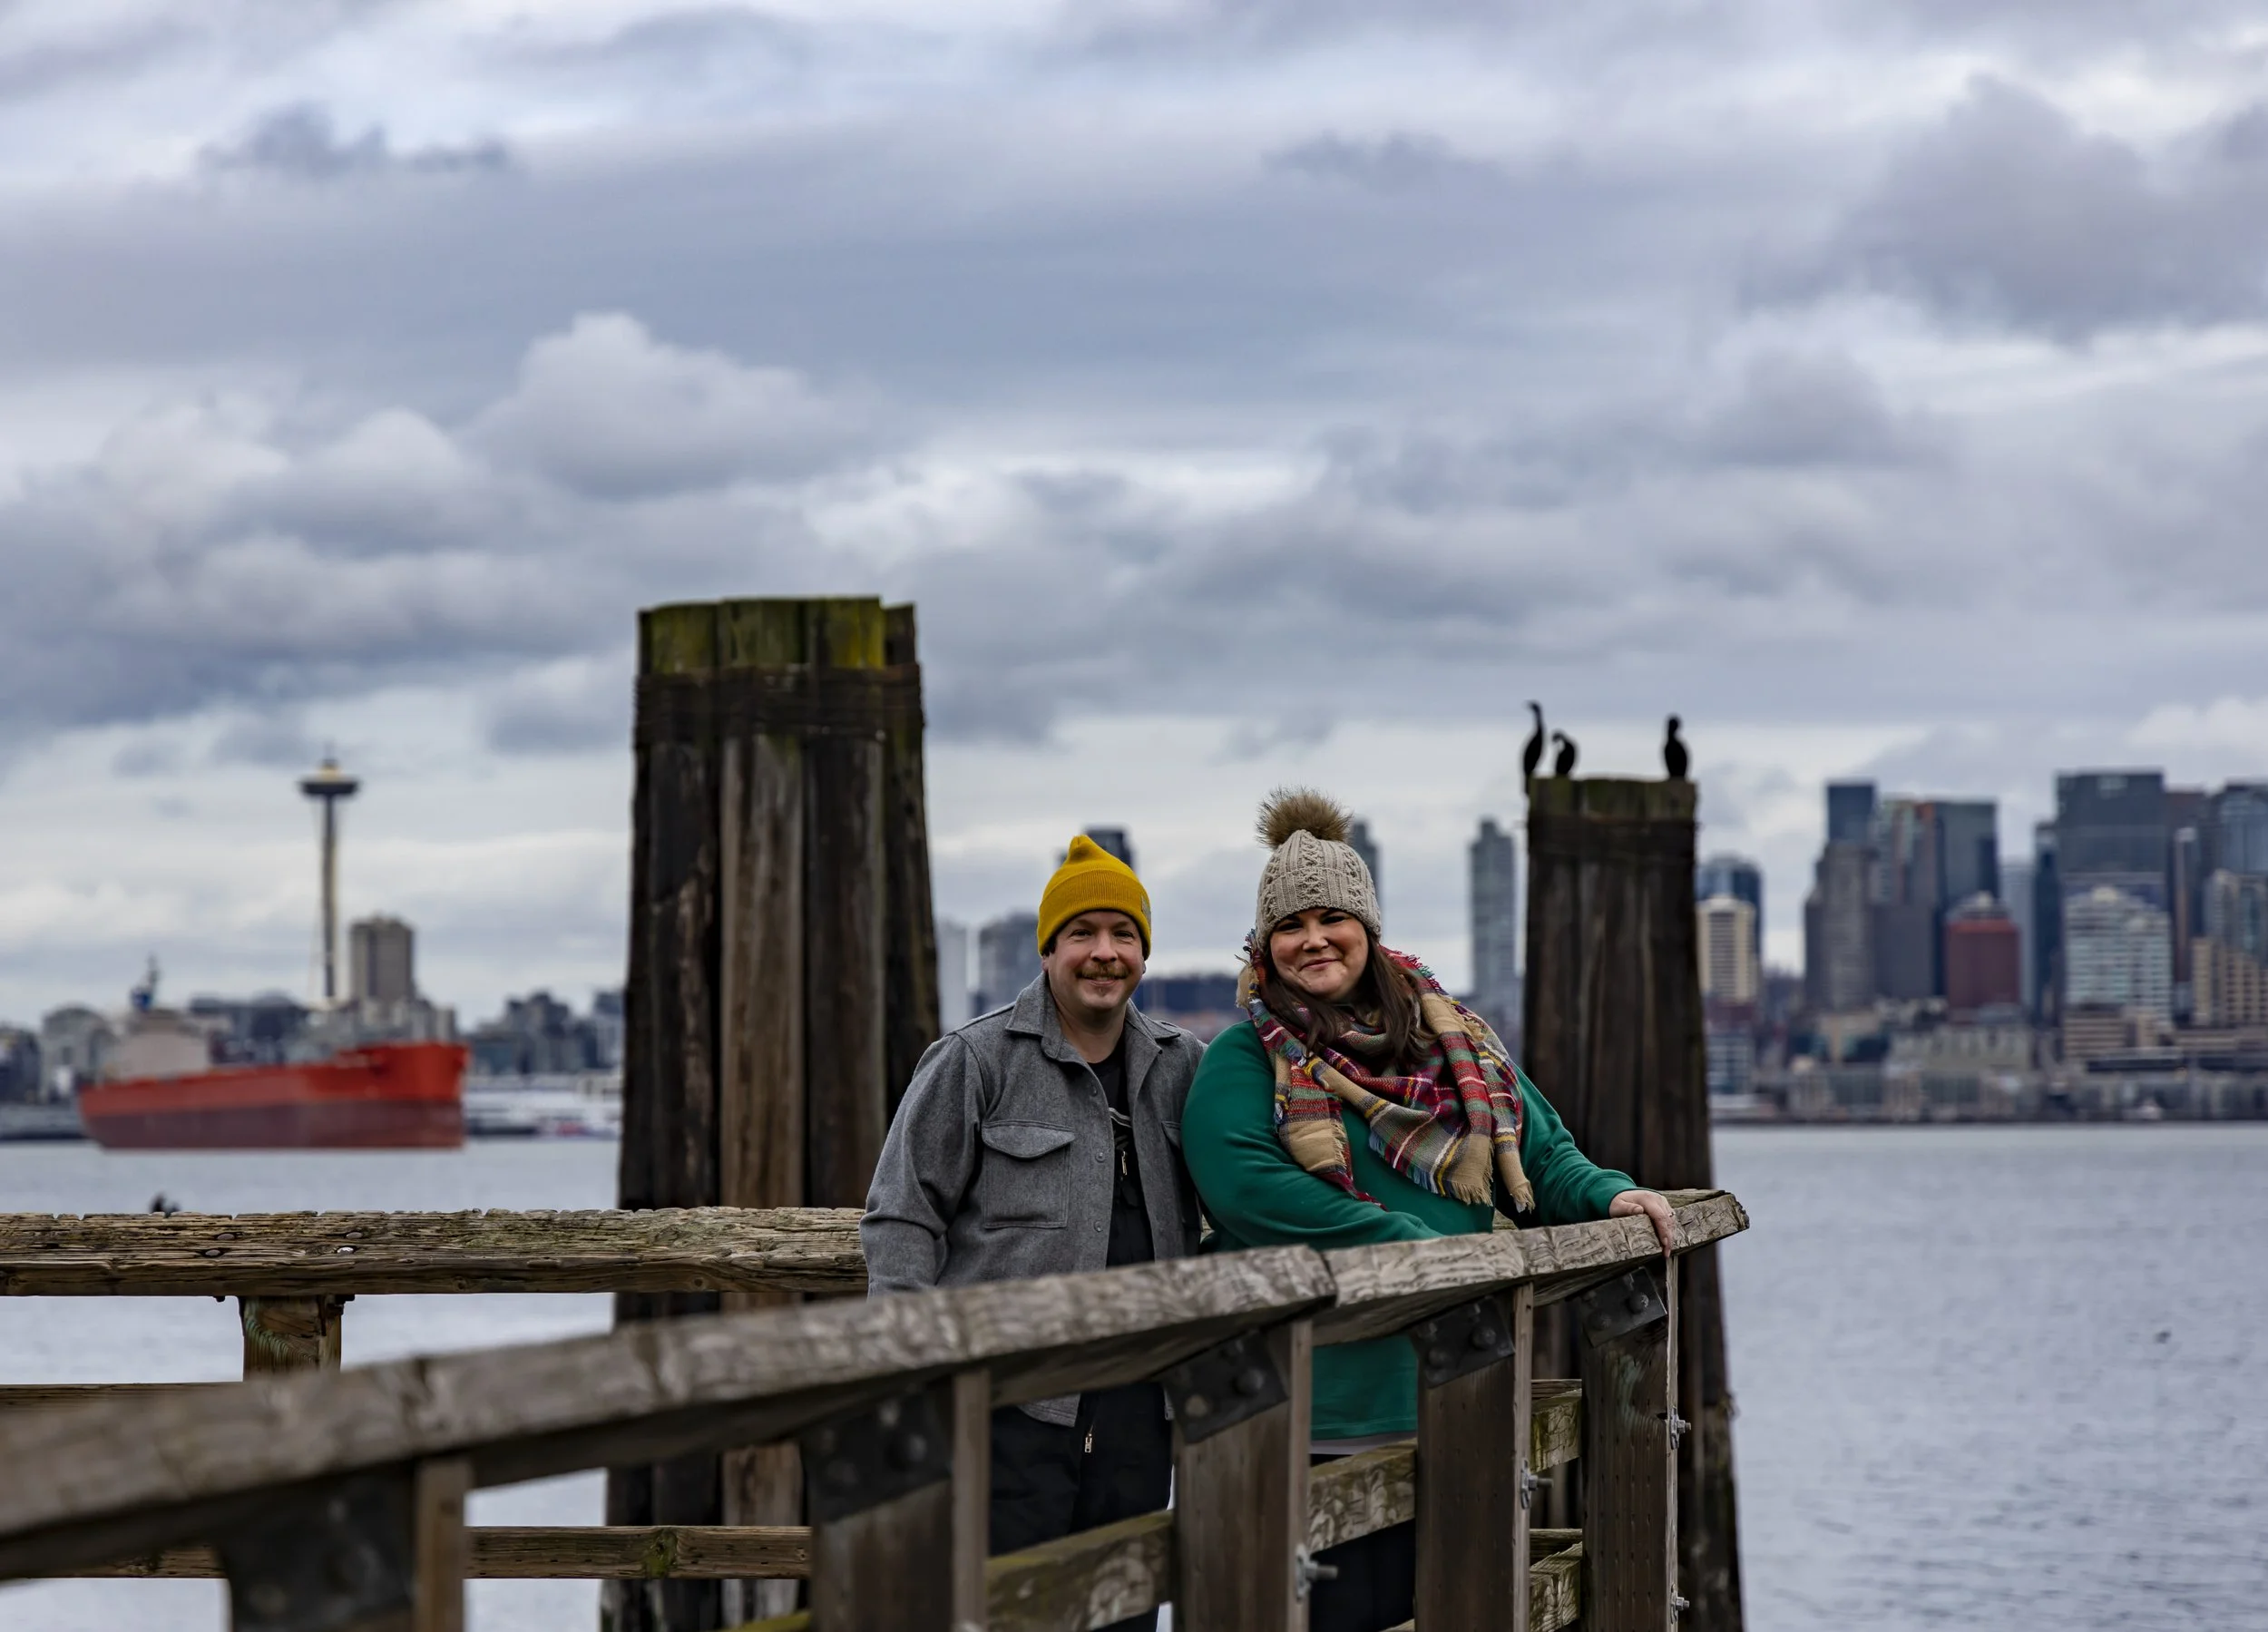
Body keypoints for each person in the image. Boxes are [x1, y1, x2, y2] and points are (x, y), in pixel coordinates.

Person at [1180, 788, 1676, 1632]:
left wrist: (1609, 1194)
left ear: (1368, 929)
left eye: (1332, 916)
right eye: (1288, 926)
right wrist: (1409, 1244)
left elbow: (1542, 1149)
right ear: (1264, 947)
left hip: (1456, 1404)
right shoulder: (1242, 1058)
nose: (1312, 939)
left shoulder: (1455, 1042)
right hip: (1309, 1417)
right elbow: (1246, 1185)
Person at [863, 835, 1204, 1630]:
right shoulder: (973, 1061)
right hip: (1008, 1412)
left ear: (1144, 955)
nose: (1103, 953)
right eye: (1081, 933)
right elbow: (902, 1219)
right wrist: (915, 1386)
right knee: (1001, 1616)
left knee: (1121, 1616)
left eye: (1123, 934)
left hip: (1138, 1416)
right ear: (1048, 949)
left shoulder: (1183, 1068)